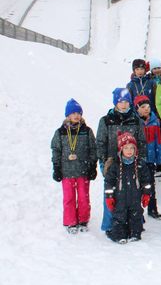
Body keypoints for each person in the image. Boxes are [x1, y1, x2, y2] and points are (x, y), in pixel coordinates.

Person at [96, 88, 147, 232]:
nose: (124, 105)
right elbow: (100, 142)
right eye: (121, 102)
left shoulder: (135, 120)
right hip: (112, 162)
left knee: (132, 194)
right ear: (115, 103)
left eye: (126, 102)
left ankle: (133, 223)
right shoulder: (106, 120)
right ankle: (110, 224)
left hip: (132, 161)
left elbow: (142, 141)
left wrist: (141, 159)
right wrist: (103, 161)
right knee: (111, 192)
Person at [51, 99, 97, 233]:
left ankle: (83, 220)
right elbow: (56, 150)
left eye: (78, 113)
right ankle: (70, 221)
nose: (76, 115)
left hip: (83, 170)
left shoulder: (87, 131)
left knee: (83, 197)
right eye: (73, 113)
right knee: (69, 197)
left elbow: (93, 149)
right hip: (66, 172)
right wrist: (56, 167)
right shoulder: (60, 132)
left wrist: (92, 165)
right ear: (68, 115)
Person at [104, 132, 152, 244]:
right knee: (119, 217)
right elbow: (109, 183)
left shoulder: (140, 164)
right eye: (126, 148)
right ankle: (119, 235)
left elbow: (146, 181)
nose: (129, 150)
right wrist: (109, 197)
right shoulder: (115, 165)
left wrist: (146, 194)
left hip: (135, 197)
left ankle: (135, 233)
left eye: (132, 148)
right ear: (121, 149)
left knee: (136, 216)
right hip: (120, 198)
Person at [133, 95, 161, 220]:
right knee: (136, 186)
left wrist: (159, 159)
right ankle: (138, 212)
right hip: (137, 159)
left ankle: (152, 209)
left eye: (148, 106)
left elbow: (159, 141)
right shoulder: (134, 121)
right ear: (137, 109)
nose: (146, 109)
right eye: (143, 107)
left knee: (150, 185)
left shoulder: (155, 121)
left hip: (150, 159)